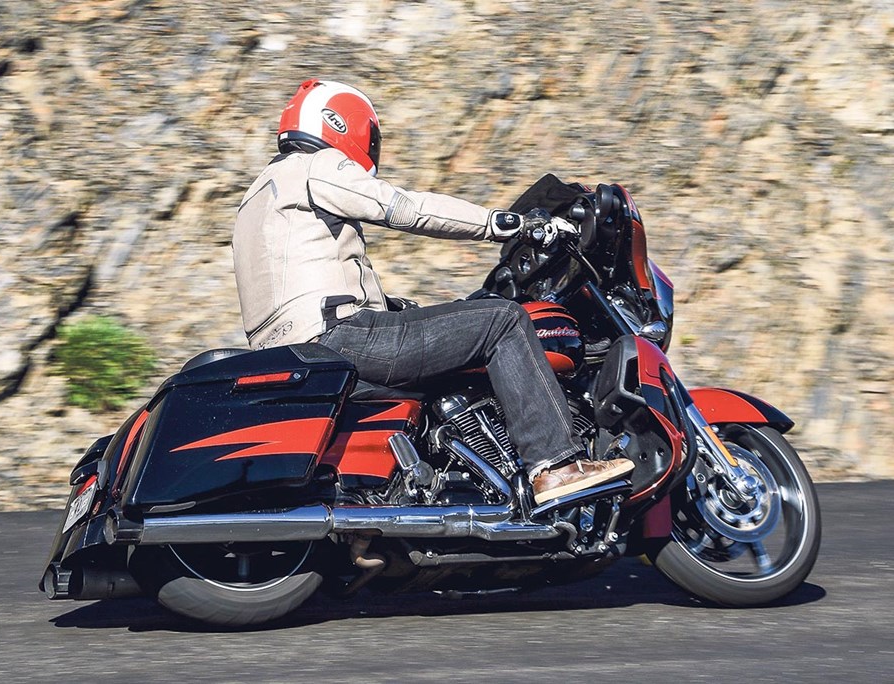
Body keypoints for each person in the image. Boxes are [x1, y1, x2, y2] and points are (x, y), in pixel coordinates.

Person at [233, 79, 633, 506]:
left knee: (447, 341)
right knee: (501, 320)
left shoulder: (257, 196)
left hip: (293, 350)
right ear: (343, 123)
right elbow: (404, 208)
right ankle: (555, 466)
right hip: (340, 337)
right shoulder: (315, 166)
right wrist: (504, 223)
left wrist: (391, 306)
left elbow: (304, 276)